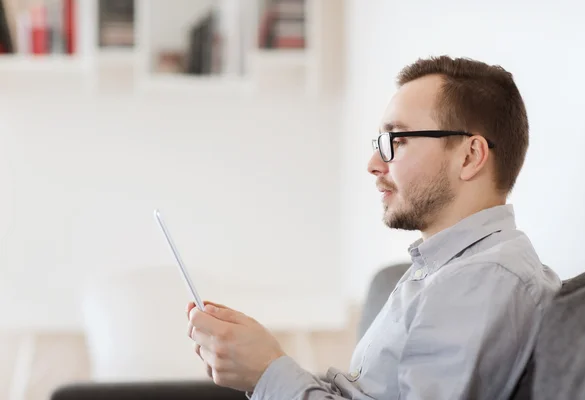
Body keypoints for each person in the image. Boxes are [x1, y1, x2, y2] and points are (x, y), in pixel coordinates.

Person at [185, 55, 562, 400]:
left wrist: (266, 372)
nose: (373, 163)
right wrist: (260, 361)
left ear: (470, 156)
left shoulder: (481, 279)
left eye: (395, 140)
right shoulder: (443, 270)